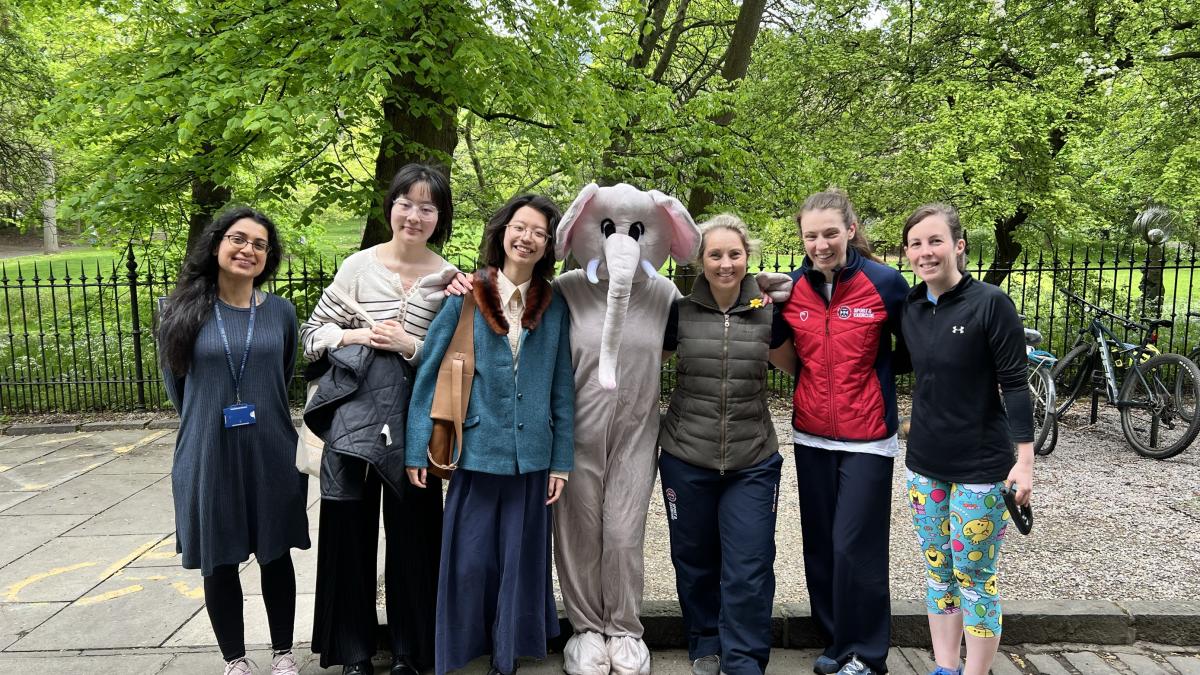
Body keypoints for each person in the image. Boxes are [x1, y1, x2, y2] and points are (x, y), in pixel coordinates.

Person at [406, 194, 575, 675]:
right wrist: (419, 446)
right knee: (469, 561)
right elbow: (431, 372)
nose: (527, 238)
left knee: (520, 563)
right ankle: (461, 647)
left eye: (539, 233)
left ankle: (509, 653)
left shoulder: (555, 301)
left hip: (532, 457)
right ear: (502, 231)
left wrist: (561, 459)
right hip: (475, 451)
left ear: (548, 245)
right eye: (520, 227)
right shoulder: (467, 293)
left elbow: (562, 384)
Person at [303, 164, 457, 675]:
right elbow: (311, 336)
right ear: (390, 207)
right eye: (405, 203)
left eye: (427, 207)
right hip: (355, 424)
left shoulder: (449, 279)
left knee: (416, 537)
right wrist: (354, 336)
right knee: (349, 531)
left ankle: (413, 652)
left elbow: (458, 359)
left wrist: (409, 345)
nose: (414, 215)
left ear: (440, 216)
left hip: (416, 428)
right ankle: (352, 652)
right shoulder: (357, 268)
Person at [158, 206, 309, 675]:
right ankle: (235, 659)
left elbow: (281, 376)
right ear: (217, 243)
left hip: (270, 449)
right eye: (239, 239)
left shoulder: (281, 312)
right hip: (208, 450)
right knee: (218, 558)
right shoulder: (177, 310)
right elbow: (178, 389)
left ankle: (283, 652)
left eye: (260, 245)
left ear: (269, 257)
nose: (248, 250)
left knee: (275, 552)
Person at [769, 190, 910, 675]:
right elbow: (782, 349)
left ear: (850, 230)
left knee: (856, 546)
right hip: (811, 433)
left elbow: (912, 350)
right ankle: (836, 644)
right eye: (811, 235)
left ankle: (867, 654)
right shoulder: (792, 287)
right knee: (822, 546)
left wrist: (880, 381)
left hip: (868, 436)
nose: (821, 244)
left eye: (830, 232)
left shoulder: (886, 283)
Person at [900, 203, 1033, 675]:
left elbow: (1015, 384)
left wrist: (1024, 461)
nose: (925, 252)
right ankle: (944, 668)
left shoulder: (990, 303)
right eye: (915, 243)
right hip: (925, 465)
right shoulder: (912, 307)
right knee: (938, 572)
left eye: (935, 241)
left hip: (981, 468)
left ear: (958, 245)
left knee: (974, 576)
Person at [657, 214, 784, 675]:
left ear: (747, 256)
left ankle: (744, 659)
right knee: (694, 561)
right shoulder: (680, 311)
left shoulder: (770, 309)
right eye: (715, 254)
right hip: (686, 456)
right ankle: (705, 644)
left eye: (734, 254)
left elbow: (802, 365)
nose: (725, 263)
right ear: (700, 259)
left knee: (749, 564)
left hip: (753, 459)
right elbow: (639, 362)